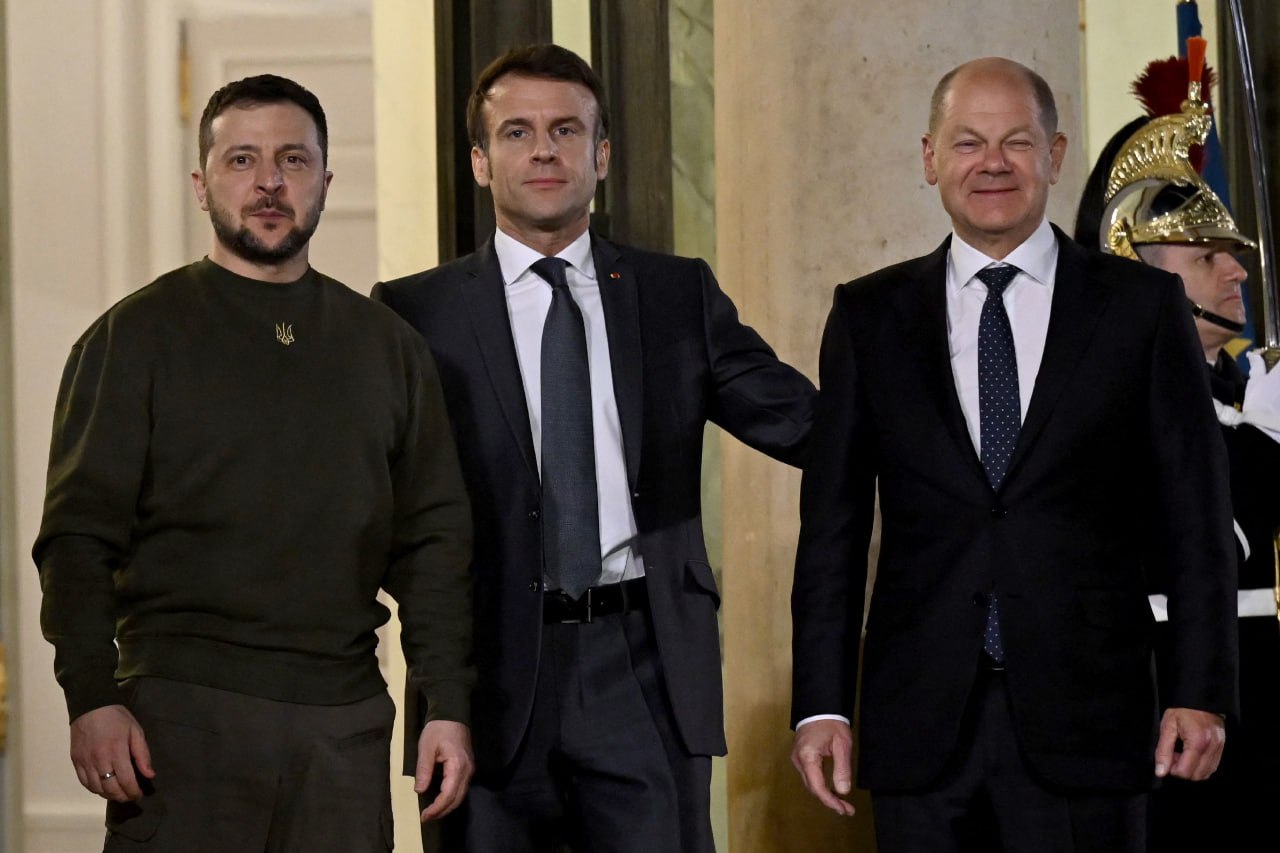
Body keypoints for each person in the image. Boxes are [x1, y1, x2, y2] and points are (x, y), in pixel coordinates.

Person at [373, 43, 815, 853]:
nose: (544, 150)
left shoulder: (676, 294)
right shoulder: (414, 315)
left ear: (601, 155)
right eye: (516, 132)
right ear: (480, 162)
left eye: (566, 130)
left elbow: (805, 425)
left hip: (644, 663)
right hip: (487, 670)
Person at [789, 57, 1237, 853]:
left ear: (1055, 156)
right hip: (920, 723)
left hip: (1091, 722)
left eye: (1017, 142)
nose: (992, 163)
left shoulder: (1139, 308)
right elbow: (833, 530)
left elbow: (1196, 516)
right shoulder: (869, 315)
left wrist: (1201, 688)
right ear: (930, 158)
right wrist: (821, 703)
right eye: (968, 143)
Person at [33, 74, 475, 851]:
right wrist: (90, 695)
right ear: (202, 185)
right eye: (242, 159)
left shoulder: (389, 348)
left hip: (343, 724)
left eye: (293, 160)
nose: (269, 181)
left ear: (326, 182)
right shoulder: (133, 338)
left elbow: (434, 544)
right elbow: (76, 539)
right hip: (177, 720)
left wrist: (445, 702)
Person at [1073, 54, 1280, 853]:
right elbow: (1203, 538)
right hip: (1159, 691)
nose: (1236, 271)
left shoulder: (1244, 392)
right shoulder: (1106, 405)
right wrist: (1256, 445)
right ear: (1140, 275)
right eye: (1206, 257)